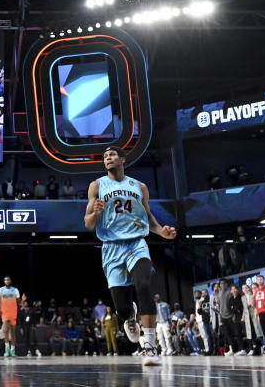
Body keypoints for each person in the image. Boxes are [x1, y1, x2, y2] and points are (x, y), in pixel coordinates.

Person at [84, 146, 178, 366]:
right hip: (111, 247)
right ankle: (130, 316)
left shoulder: (139, 186)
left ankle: (149, 347)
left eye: (112, 155)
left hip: (136, 243)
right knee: (123, 310)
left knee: (143, 285)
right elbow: (88, 223)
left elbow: (147, 215)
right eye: (105, 156)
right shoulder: (97, 185)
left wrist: (160, 231)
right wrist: (95, 213)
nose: (107, 158)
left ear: (122, 159)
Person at [0, 276, 20, 356]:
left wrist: (22, 301)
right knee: (5, 330)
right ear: (4, 281)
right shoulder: (0, 290)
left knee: (12, 332)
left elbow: (19, 302)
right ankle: (7, 349)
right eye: (5, 280)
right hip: (4, 313)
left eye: (8, 279)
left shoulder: (15, 290)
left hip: (13, 313)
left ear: (10, 281)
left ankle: (12, 350)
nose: (7, 281)